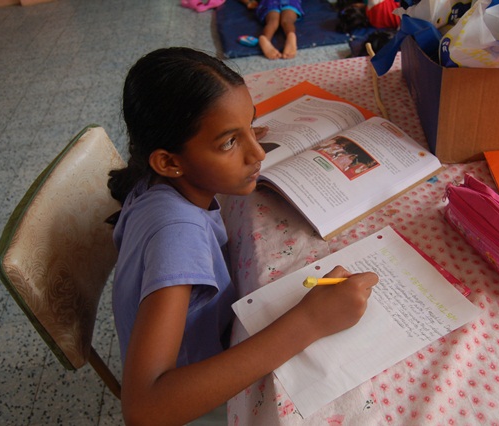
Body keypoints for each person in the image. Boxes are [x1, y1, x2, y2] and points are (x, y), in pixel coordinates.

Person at [107, 47, 379, 426]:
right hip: (191, 406)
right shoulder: (178, 235)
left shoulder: (151, 185)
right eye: (229, 143)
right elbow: (144, 409)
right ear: (169, 162)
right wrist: (311, 321)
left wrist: (233, 136)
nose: (258, 153)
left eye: (251, 127)